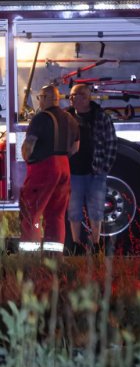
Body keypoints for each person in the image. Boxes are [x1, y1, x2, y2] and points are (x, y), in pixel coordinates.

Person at [19, 85, 79, 254]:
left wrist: (28, 158)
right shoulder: (71, 119)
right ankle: (54, 257)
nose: (40, 101)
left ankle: (29, 258)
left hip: (44, 167)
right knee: (56, 215)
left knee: (32, 213)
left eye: (40, 98)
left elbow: (29, 146)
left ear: (46, 98)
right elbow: (75, 148)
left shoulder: (40, 118)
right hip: (64, 167)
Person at [66, 83, 117, 253]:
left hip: (95, 173)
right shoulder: (66, 117)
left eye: (78, 95)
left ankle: (95, 244)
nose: (73, 98)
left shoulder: (101, 117)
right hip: (72, 173)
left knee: (96, 210)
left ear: (87, 97)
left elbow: (111, 143)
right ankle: (75, 245)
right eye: (71, 95)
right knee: (73, 210)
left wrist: (104, 168)